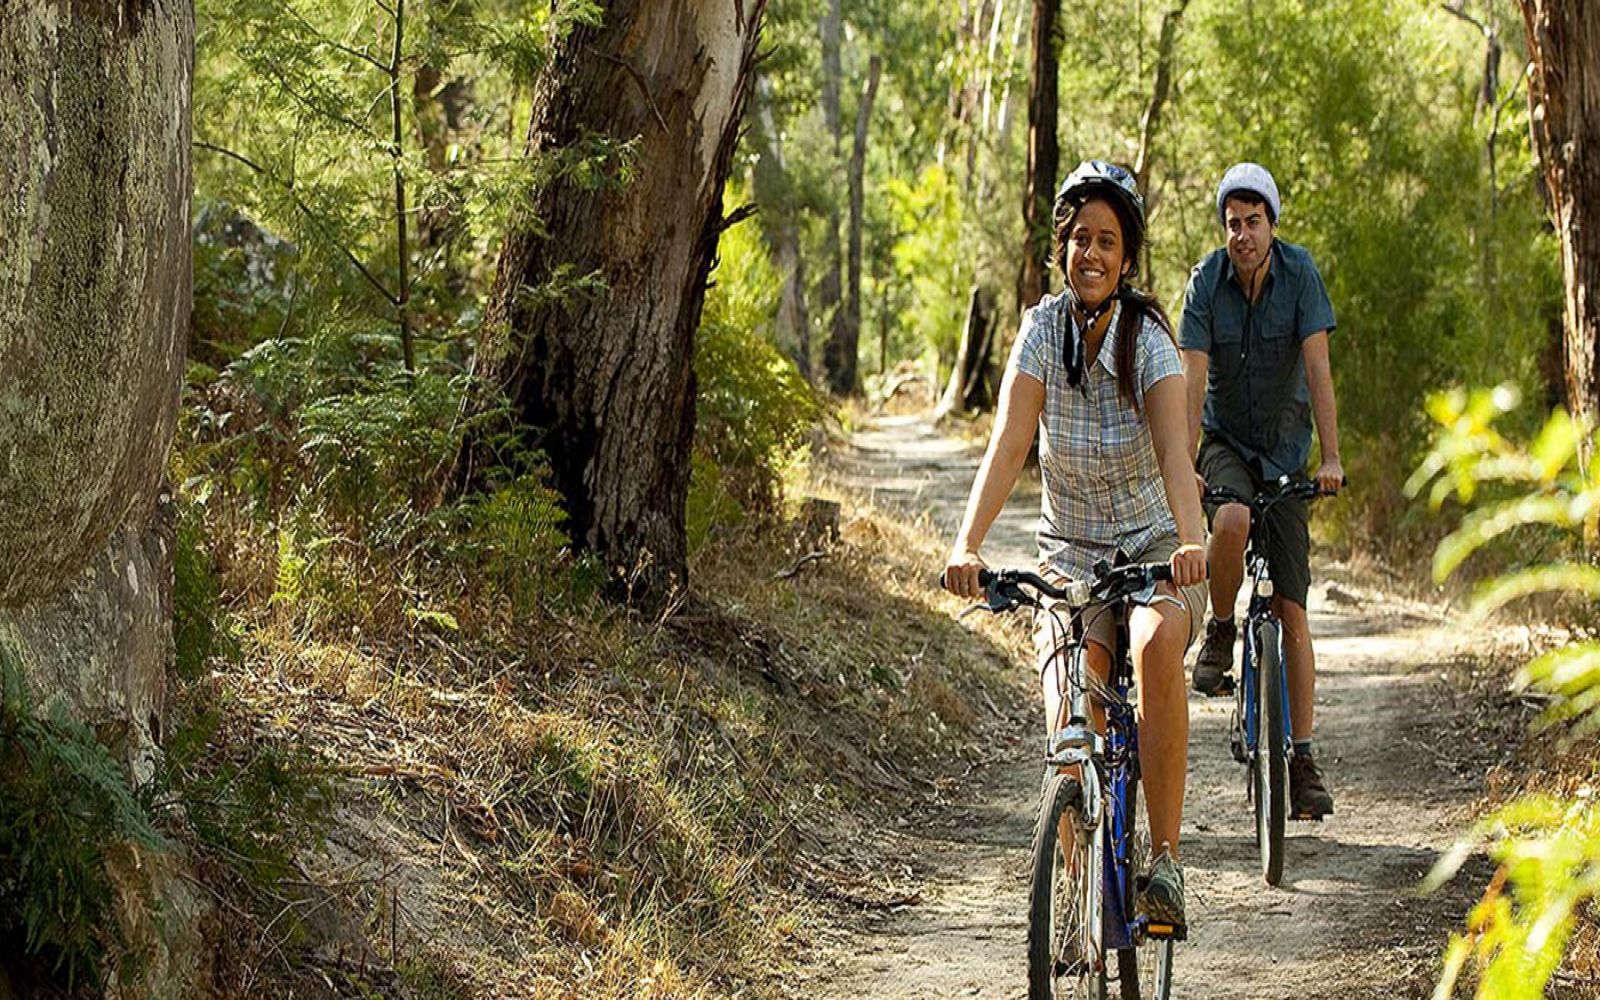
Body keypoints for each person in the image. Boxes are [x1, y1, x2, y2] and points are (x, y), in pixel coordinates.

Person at [943, 160, 1208, 931]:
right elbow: (1008, 442)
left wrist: (1191, 542)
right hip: (1072, 556)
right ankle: (1074, 891)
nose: (1091, 254)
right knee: (1069, 722)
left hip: (1157, 544)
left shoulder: (1148, 339)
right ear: (1062, 250)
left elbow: (1172, 457)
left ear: (1127, 259)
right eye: (1080, 240)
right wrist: (967, 544)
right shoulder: (1040, 331)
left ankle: (1163, 862)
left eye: (1108, 242)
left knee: (1157, 645)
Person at [1178, 162, 1342, 819]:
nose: (1242, 234)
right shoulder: (1205, 283)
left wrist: (1330, 458)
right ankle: (1221, 627)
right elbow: (1191, 378)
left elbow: (1318, 368)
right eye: (1232, 224)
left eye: (1253, 222)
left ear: (1272, 224)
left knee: (1294, 613)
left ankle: (1301, 759)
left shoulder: (1300, 275)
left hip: (1285, 450)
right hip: (1225, 444)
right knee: (1232, 520)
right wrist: (1185, 462)